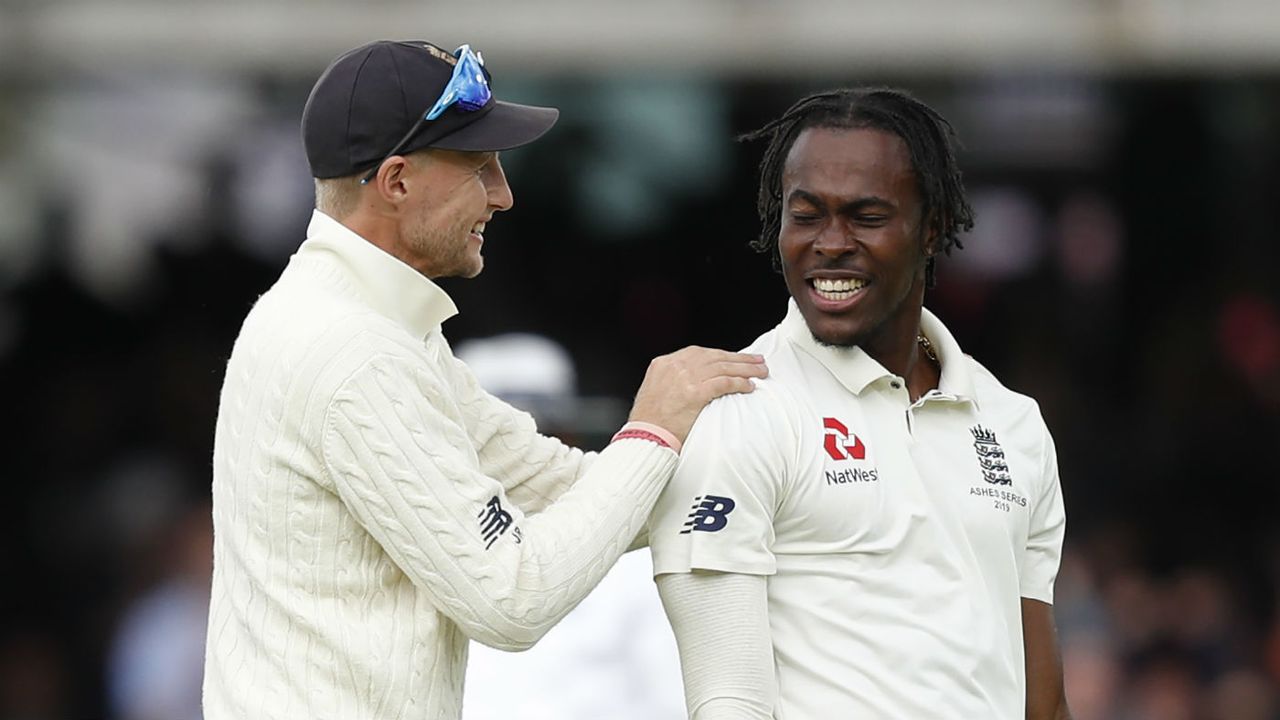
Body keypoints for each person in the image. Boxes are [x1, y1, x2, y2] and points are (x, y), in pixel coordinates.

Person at [201, 39, 767, 720]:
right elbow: (510, 600)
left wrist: (769, 467)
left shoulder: (370, 321)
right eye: (479, 166)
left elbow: (554, 486)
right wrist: (654, 427)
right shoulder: (355, 350)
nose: (503, 195)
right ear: (397, 181)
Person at [649, 87, 1071, 719]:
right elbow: (727, 700)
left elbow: (1043, 701)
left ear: (933, 227)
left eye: (866, 217)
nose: (831, 243)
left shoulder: (1015, 423)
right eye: (807, 214)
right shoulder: (741, 409)